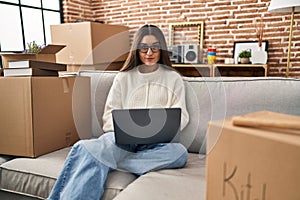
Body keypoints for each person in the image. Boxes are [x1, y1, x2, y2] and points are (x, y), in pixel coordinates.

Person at [48, 24, 189, 200]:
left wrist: (159, 129)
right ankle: (105, 155)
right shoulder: (124, 77)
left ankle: (113, 160)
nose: (149, 52)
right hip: (122, 140)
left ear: (162, 50)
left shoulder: (173, 78)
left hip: (156, 143)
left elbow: (181, 115)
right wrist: (125, 130)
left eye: (155, 47)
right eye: (144, 47)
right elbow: (109, 115)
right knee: (94, 148)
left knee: (180, 153)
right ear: (137, 49)